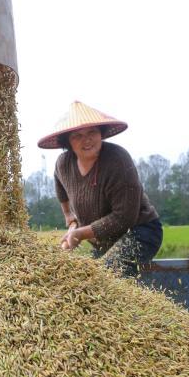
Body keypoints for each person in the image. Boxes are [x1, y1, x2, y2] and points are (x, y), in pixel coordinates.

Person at [39, 100, 163, 278]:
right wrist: (69, 216)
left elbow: (124, 217)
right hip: (104, 241)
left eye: (92, 132)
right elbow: (60, 184)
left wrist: (80, 233)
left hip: (140, 232)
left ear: (101, 133)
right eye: (77, 136)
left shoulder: (118, 160)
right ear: (68, 142)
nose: (86, 139)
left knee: (105, 276)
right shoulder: (63, 163)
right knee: (91, 277)